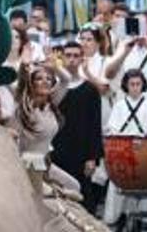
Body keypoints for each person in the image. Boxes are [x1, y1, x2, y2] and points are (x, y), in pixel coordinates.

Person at [14, 60, 81, 199]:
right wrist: (24, 70)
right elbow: (21, 88)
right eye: (39, 79)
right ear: (31, 83)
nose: (45, 81)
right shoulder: (24, 108)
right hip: (26, 165)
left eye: (48, 79)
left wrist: (55, 66)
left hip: (46, 163)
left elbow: (66, 79)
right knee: (47, 195)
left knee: (74, 187)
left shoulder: (51, 104)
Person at [102, 69, 147, 228]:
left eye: (138, 84)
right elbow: (112, 128)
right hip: (123, 150)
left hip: (144, 150)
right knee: (117, 180)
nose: (135, 87)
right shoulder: (119, 105)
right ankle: (116, 217)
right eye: (132, 84)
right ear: (126, 86)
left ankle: (145, 220)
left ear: (143, 85)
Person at [50, 41, 103, 213]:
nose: (72, 59)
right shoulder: (54, 89)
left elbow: (95, 125)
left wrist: (92, 157)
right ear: (62, 58)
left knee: (83, 196)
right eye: (68, 55)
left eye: (75, 56)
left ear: (82, 59)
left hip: (81, 153)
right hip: (57, 151)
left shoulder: (90, 90)